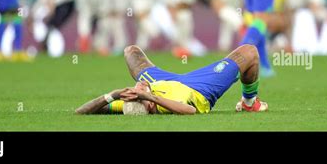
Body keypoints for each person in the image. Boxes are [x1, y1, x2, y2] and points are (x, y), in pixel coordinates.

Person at [75, 44, 268, 115]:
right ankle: (249, 103)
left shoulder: (132, 102)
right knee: (249, 52)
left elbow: (80, 112)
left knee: (130, 51)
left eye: (135, 90)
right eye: (139, 93)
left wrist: (112, 95)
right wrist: (150, 97)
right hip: (199, 88)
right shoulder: (161, 105)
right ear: (148, 105)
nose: (136, 88)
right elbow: (190, 110)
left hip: (161, 81)